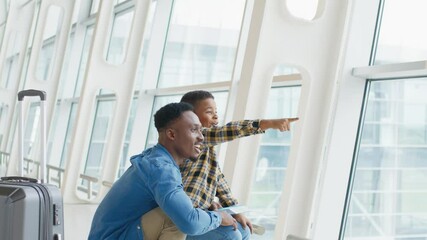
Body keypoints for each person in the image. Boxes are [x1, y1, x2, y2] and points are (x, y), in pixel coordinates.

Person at [88, 102, 237, 240]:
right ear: (171, 134)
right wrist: (219, 217)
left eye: (201, 130)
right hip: (117, 236)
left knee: (229, 230)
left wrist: (209, 208)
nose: (201, 137)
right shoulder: (163, 169)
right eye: (194, 130)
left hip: (121, 233)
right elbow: (190, 222)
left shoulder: (156, 158)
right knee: (175, 219)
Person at [179, 90, 299, 240]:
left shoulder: (208, 151)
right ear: (190, 117)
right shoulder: (190, 140)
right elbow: (225, 132)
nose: (216, 116)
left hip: (203, 214)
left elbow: (220, 184)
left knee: (244, 230)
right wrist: (267, 124)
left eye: (216, 111)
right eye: (209, 112)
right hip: (184, 219)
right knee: (231, 235)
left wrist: (236, 211)